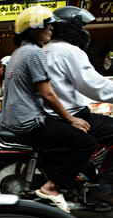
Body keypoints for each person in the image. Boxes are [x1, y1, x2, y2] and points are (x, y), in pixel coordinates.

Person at [0, 5, 95, 213]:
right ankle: (51, 187)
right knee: (85, 142)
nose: (51, 28)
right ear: (33, 29)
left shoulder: (17, 53)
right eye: (47, 25)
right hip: (30, 122)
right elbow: (47, 93)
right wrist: (71, 119)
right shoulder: (35, 53)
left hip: (14, 119)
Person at [43, 6, 113, 206]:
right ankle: (105, 187)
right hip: (69, 116)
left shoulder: (45, 50)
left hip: (53, 115)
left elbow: (71, 87)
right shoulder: (68, 51)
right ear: (71, 28)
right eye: (81, 25)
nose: (85, 29)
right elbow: (93, 85)